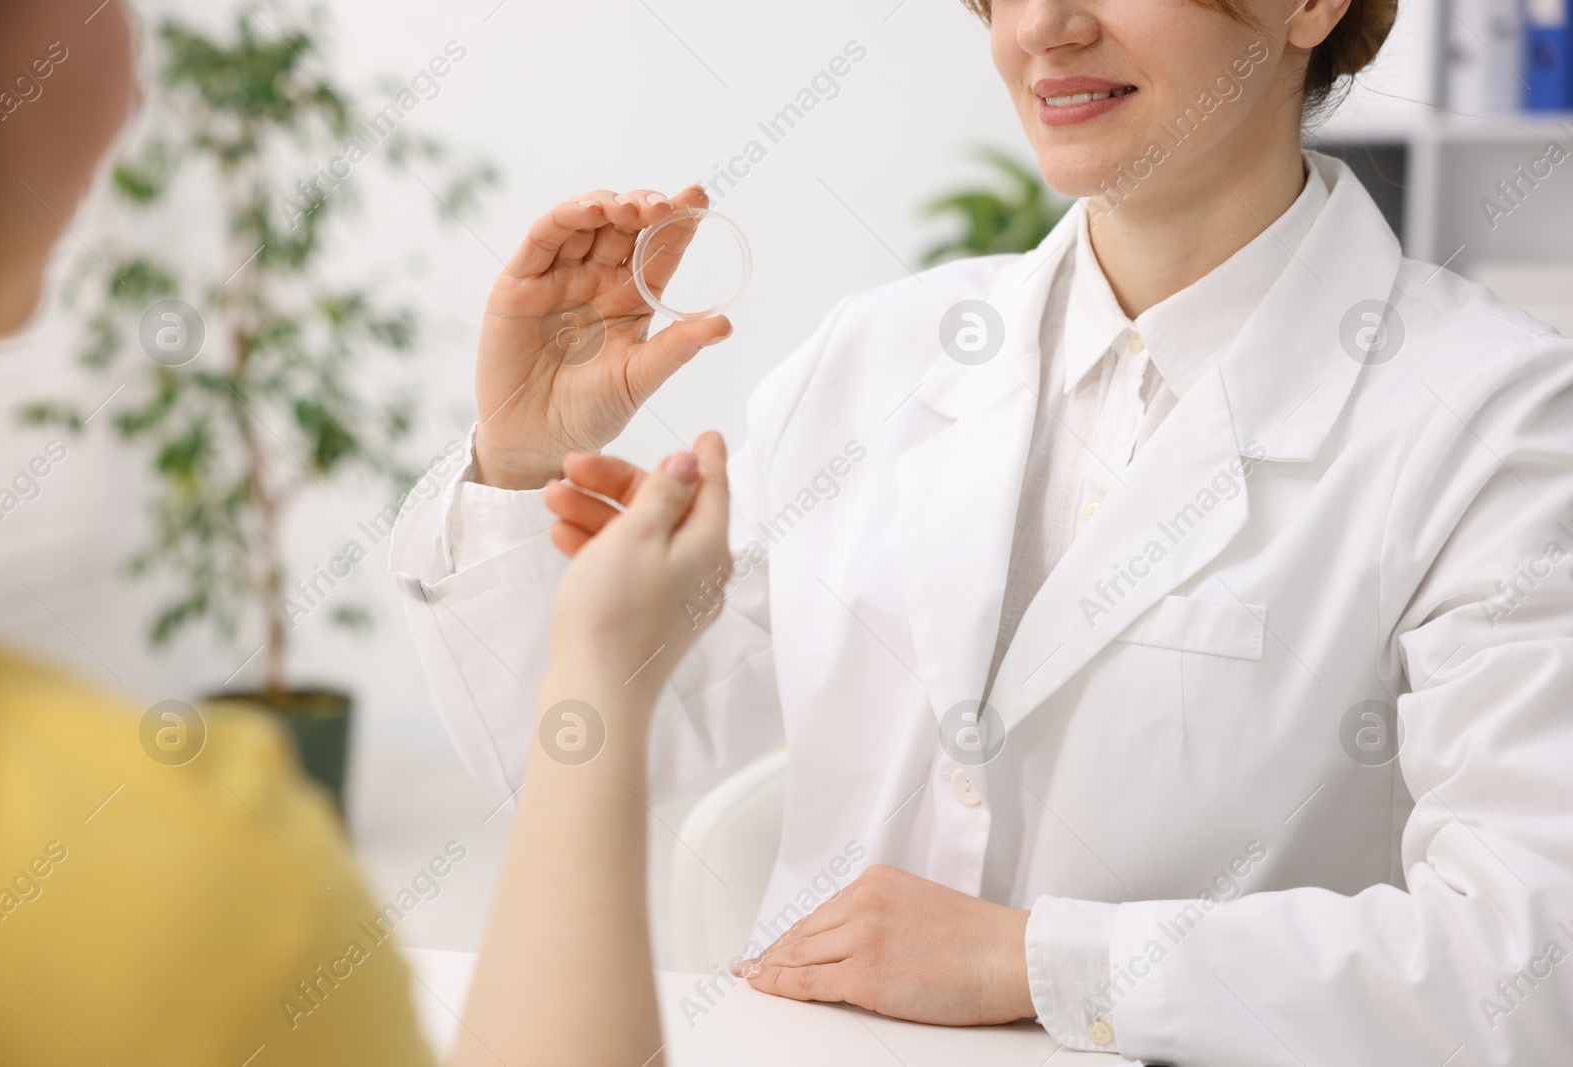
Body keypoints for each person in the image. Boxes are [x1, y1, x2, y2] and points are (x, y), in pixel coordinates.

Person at [390, 0, 1573, 1063]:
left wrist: (1037, 962)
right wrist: (523, 462)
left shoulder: (1496, 422)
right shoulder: (885, 354)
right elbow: (588, 744)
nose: (1042, 27)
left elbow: (1528, 963)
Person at [0, 3, 711, 1064]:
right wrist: (594, 662)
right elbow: (646, 726)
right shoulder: (199, 893)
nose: (137, 79)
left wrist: (1033, 955)